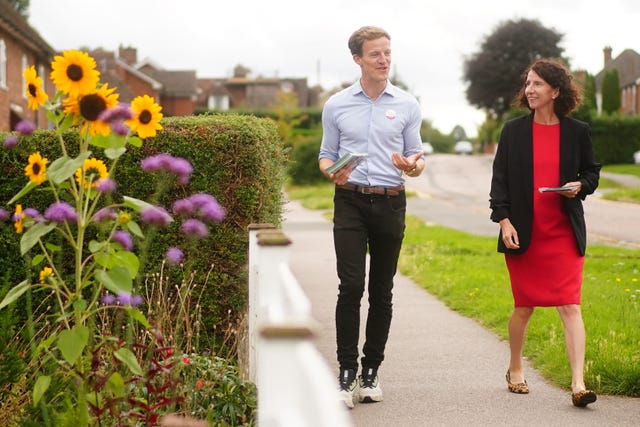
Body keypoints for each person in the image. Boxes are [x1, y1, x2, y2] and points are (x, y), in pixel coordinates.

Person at [318, 25, 424, 409]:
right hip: (349, 202)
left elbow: (417, 156)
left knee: (382, 291)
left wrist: (411, 166)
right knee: (350, 286)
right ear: (358, 59)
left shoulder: (408, 104)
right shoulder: (337, 105)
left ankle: (370, 372)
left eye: (387, 53)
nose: (384, 60)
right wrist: (332, 171)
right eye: (375, 54)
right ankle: (346, 374)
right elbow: (325, 155)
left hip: (391, 202)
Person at [489, 58, 601, 407]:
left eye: (537, 84)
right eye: (528, 84)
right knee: (524, 307)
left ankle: (579, 384)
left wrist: (579, 185)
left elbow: (592, 174)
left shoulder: (577, 131)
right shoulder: (513, 131)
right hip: (524, 232)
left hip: (564, 233)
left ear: (555, 90)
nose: (530, 90)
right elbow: (500, 183)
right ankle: (515, 368)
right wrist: (504, 221)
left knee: (570, 305)